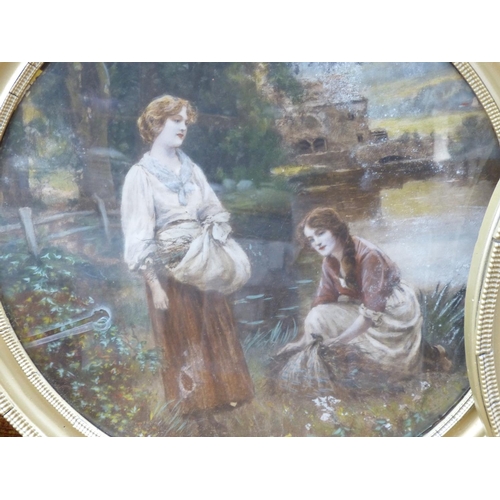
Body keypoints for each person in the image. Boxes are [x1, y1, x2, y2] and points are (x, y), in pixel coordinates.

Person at [121, 95, 254, 431]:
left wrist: (216, 231)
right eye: (176, 120)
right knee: (185, 338)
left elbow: (211, 208)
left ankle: (220, 405)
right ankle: (198, 417)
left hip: (204, 263)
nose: (183, 127)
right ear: (156, 124)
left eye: (185, 121)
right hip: (169, 272)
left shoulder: (192, 170)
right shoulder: (140, 176)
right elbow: (138, 235)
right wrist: (155, 286)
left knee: (214, 332)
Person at [277, 207, 451, 389]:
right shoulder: (329, 262)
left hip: (393, 309)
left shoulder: (368, 255)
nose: (317, 242)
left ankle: (428, 356)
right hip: (367, 307)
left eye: (320, 233)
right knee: (317, 315)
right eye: (311, 239)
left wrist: (337, 342)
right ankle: (342, 369)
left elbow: (372, 312)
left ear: (335, 229)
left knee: (390, 368)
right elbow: (323, 302)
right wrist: (302, 343)